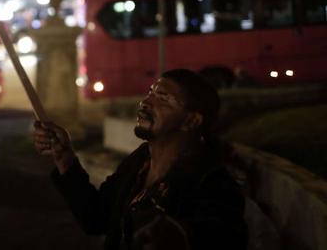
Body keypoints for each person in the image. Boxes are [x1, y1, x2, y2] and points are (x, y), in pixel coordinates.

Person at [33, 69, 247, 250]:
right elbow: (97, 218)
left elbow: (222, 235)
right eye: (150, 93)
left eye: (162, 98)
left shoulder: (211, 182)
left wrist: (180, 234)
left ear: (191, 120)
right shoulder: (139, 163)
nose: (145, 102)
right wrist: (65, 158)